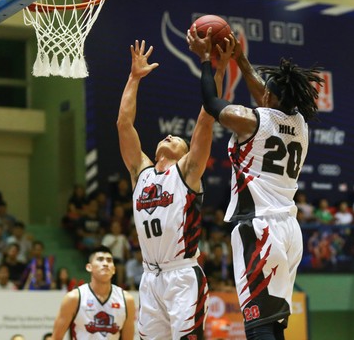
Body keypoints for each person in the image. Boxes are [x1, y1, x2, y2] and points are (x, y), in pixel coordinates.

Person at [188, 26, 324, 340]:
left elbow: (211, 102)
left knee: (258, 325)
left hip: (260, 229)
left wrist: (207, 60)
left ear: (269, 97)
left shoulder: (249, 120)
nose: (261, 93)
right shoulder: (300, 124)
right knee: (273, 323)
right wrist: (241, 59)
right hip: (289, 231)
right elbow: (265, 93)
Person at [117, 40, 226, 339]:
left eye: (177, 138)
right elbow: (124, 124)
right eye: (167, 136)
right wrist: (133, 78)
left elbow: (206, 118)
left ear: (187, 151)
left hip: (182, 276)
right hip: (150, 277)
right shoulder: (140, 171)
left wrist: (217, 71)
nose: (168, 135)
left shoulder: (188, 171)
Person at [51, 246, 135, 340]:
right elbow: (56, 338)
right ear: (89, 267)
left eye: (109, 260)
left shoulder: (127, 300)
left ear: (114, 270)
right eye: (100, 259)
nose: (105, 263)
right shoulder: (74, 298)